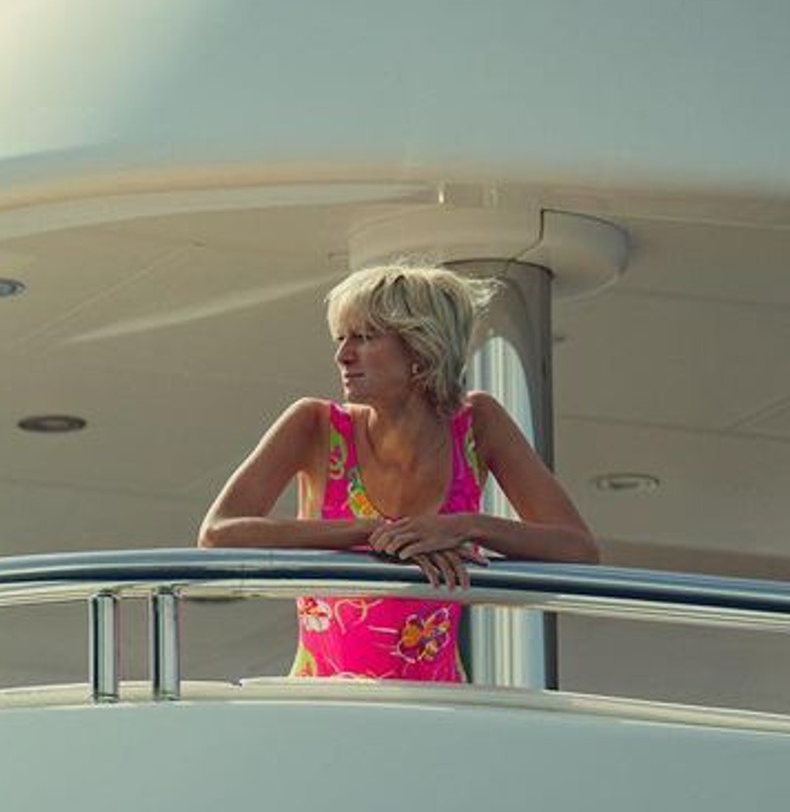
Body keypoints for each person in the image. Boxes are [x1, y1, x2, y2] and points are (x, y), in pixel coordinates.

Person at [197, 263, 599, 681]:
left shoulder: (477, 424)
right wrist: (371, 531)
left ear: (421, 349)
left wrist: (466, 527)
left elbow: (578, 548)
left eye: (365, 337)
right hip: (319, 702)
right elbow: (218, 533)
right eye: (341, 338)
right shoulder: (314, 425)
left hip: (440, 705)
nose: (343, 355)